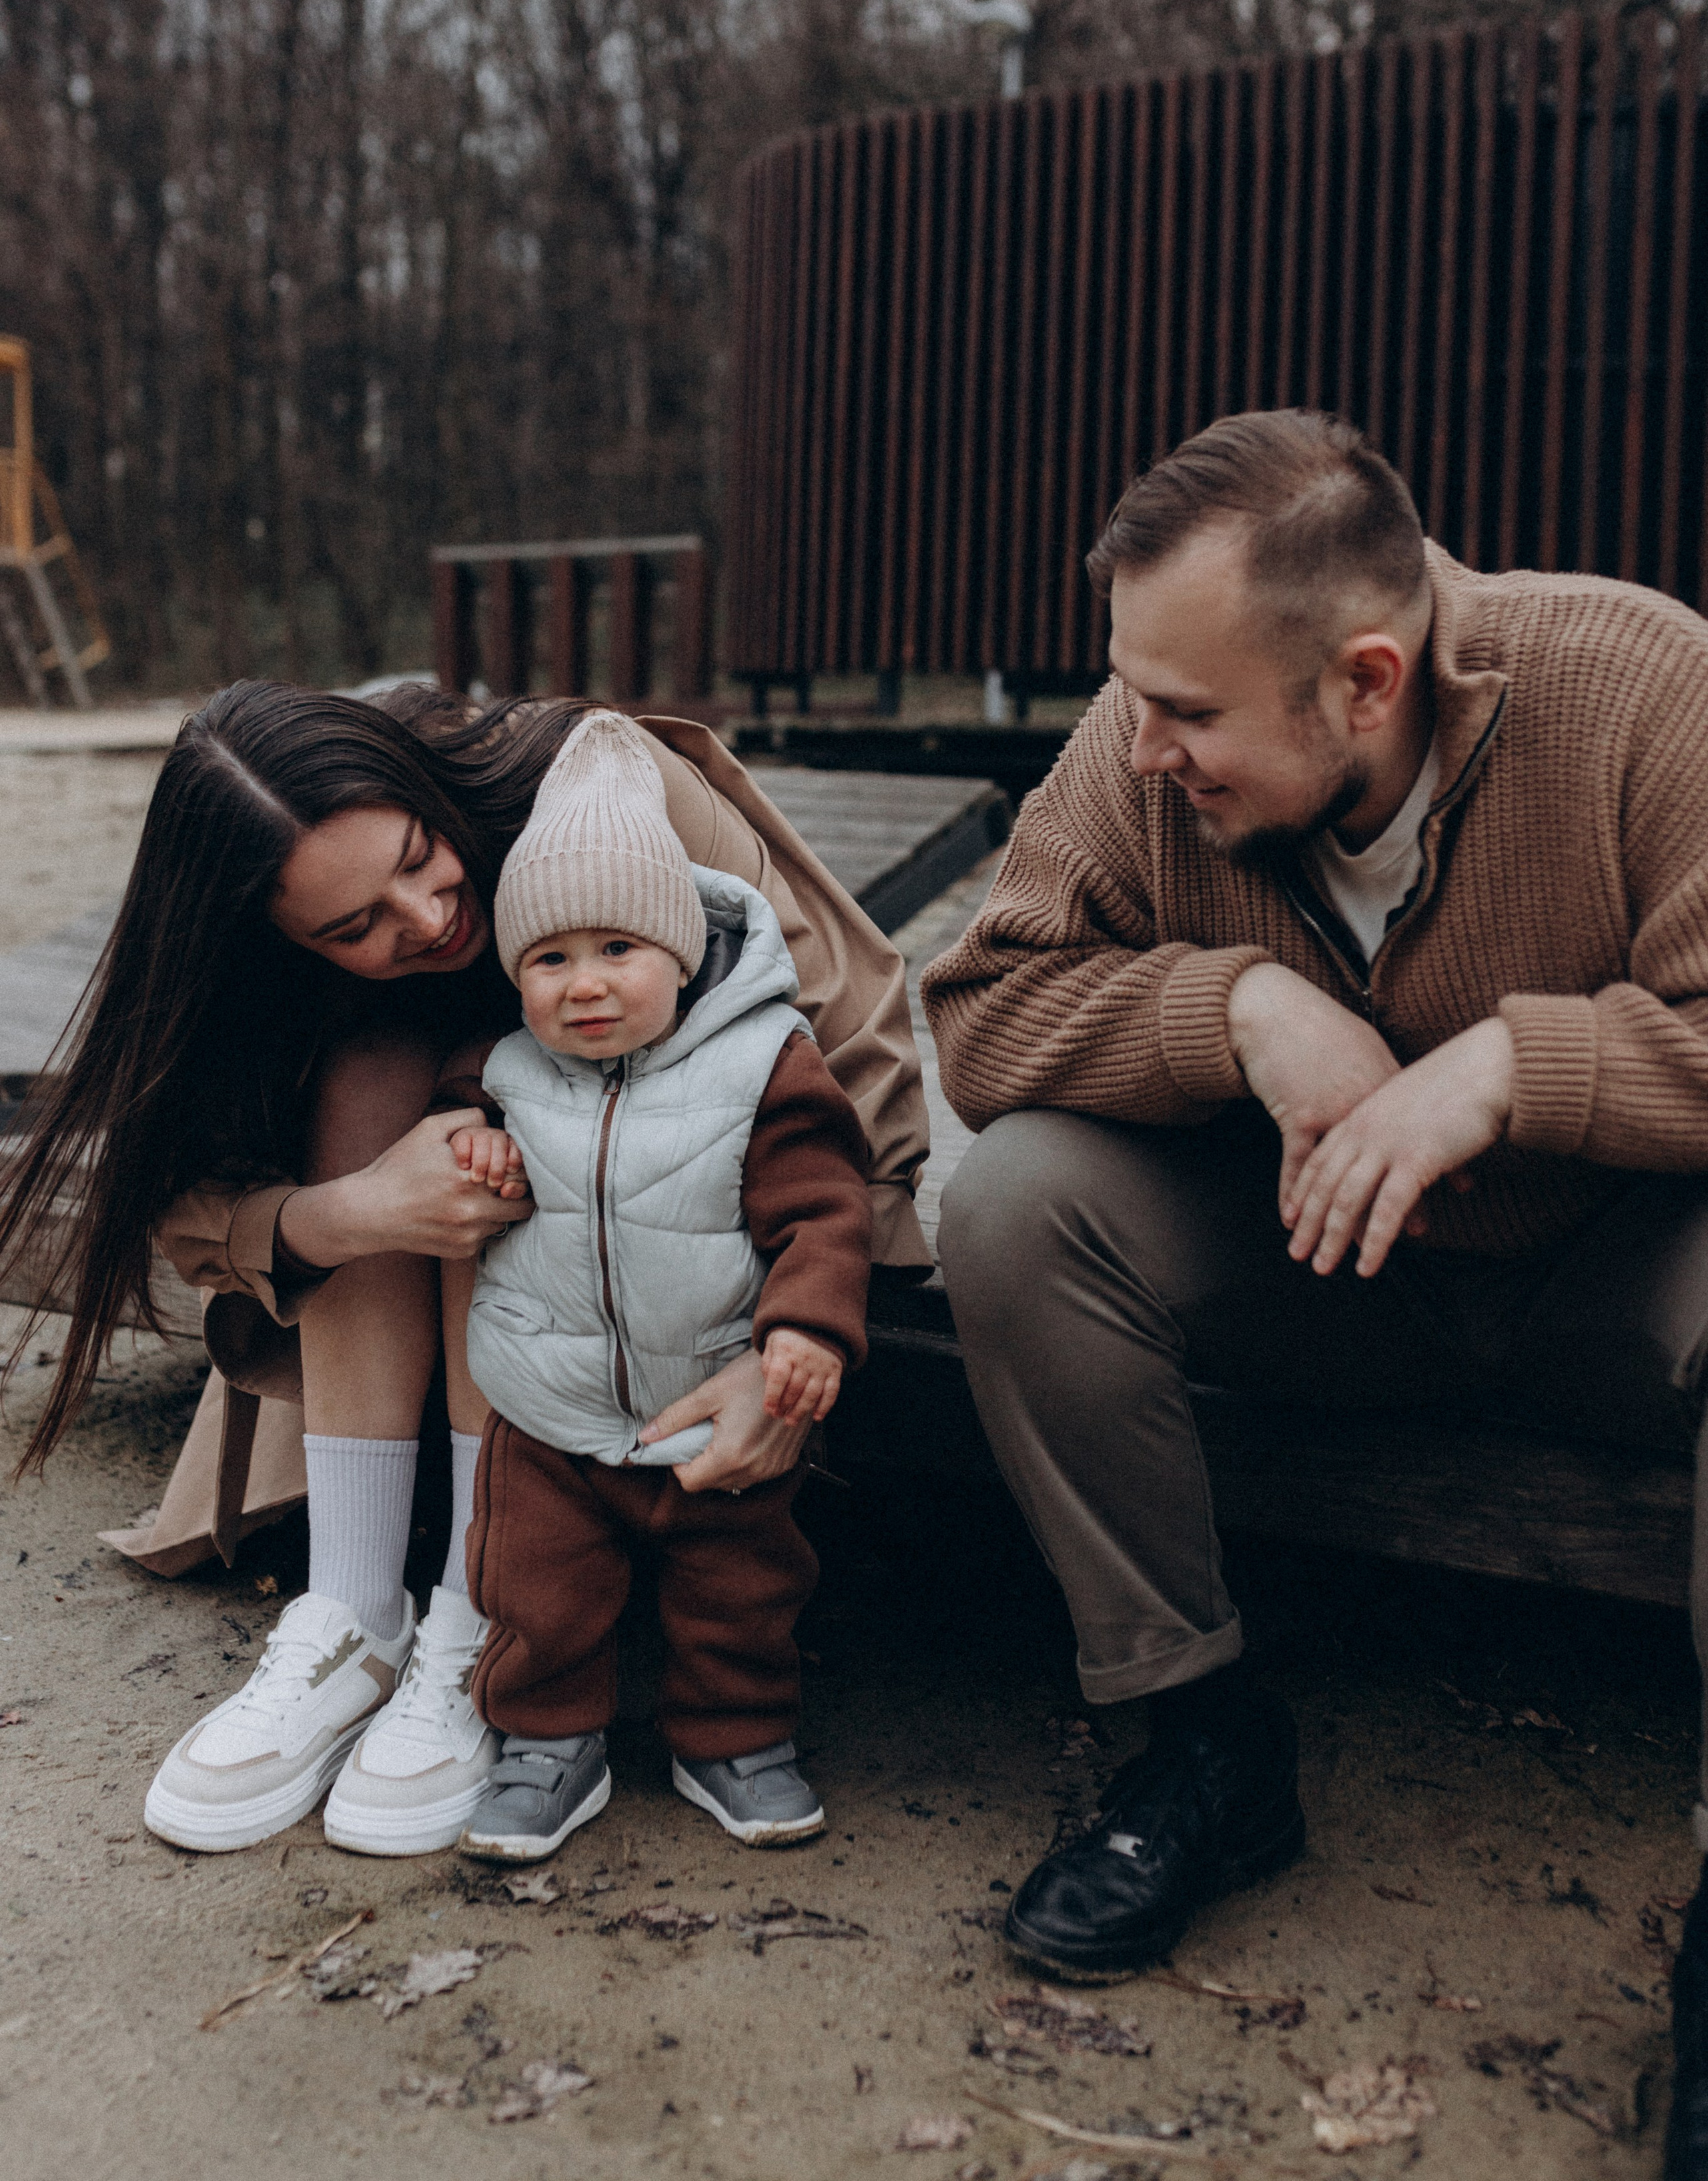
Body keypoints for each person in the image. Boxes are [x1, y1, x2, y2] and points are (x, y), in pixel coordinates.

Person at [921, 410, 1708, 2177]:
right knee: (1018, 1200)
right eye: (1130, 692)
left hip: (1622, 1283)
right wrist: (1236, 1011)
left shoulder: (1647, 689)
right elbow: (981, 1020)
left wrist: (1512, 1066)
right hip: (1328, 1284)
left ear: (1365, 680)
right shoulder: (1143, 742)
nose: (1139, 746)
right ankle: (1199, 1748)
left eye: (1186, 713)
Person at [2, 680, 927, 1859]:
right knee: (387, 1068)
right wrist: (349, 1211)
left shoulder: (600, 796)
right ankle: (351, 1611)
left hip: (703, 1257)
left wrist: (783, 1346)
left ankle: (473, 1620)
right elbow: (183, 1197)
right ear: (279, 938)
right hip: (460, 1299)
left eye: (418, 857)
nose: (428, 917)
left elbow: (831, 1064)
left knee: (494, 1101)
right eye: (353, 930)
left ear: (426, 794)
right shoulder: (276, 965)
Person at [380, 709, 870, 1864]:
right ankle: (549, 1744)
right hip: (547, 1412)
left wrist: (807, 1332)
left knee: (740, 1592)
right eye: (550, 959)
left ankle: (735, 1739)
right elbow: (459, 1119)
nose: (583, 985)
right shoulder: (503, 1072)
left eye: (618, 951)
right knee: (537, 1592)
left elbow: (825, 1209)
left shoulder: (763, 1063)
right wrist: (472, 1142)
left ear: (680, 953)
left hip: (706, 1394)